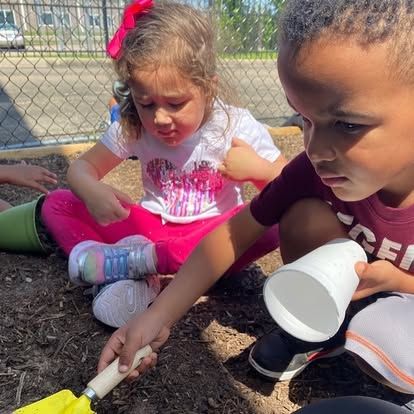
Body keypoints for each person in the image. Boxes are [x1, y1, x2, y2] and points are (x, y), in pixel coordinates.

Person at [97, 0, 414, 397]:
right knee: (301, 217)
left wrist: (399, 281)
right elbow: (232, 236)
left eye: (347, 124)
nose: (316, 149)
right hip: (359, 289)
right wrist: (158, 316)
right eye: (304, 120)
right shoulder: (311, 171)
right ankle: (326, 331)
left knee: (392, 345)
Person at [41, 1, 286, 329]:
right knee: (57, 204)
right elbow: (80, 169)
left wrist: (259, 170)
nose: (159, 118)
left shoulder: (235, 126)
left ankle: (139, 266)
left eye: (175, 103)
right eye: (146, 103)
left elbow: (289, 184)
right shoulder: (135, 126)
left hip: (215, 241)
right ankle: (118, 269)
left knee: (274, 222)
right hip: (150, 231)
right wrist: (91, 189)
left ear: (209, 88)